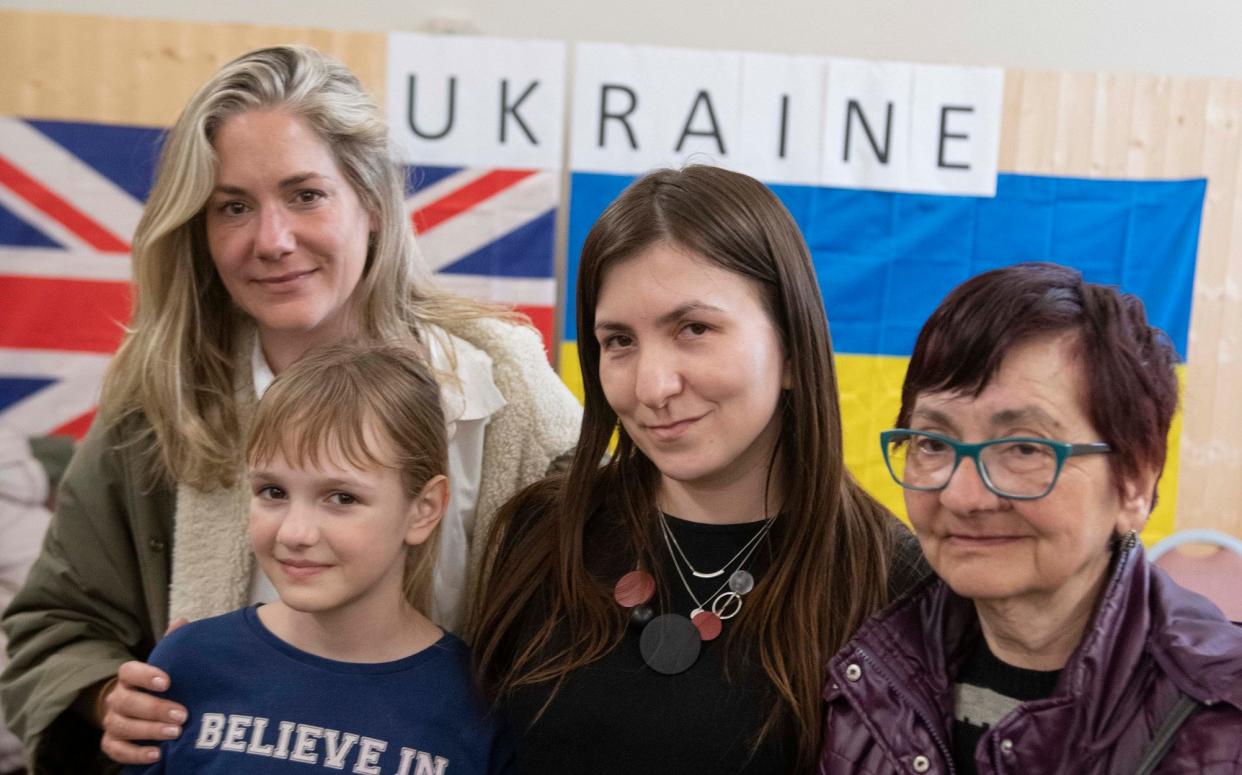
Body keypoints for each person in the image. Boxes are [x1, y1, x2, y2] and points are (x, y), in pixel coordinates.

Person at [1, 45, 580, 772]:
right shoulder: (165, 399)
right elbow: (55, 620)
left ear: (370, 203)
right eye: (233, 207)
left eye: (305, 194)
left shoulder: (501, 383)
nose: (271, 240)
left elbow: (607, 599)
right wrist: (101, 696)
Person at [472, 165, 927, 774]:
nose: (652, 387)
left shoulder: (892, 586)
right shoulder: (541, 536)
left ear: (791, 348)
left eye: (694, 329)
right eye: (619, 341)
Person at [818, 262, 1242, 774]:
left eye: (1023, 448)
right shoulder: (866, 668)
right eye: (932, 442)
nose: (962, 495)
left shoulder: (1221, 715)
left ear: (1135, 483)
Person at [123, 342, 512, 774]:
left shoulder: (479, 706)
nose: (295, 533)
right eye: (273, 492)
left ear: (424, 509)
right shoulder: (189, 663)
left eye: (341, 497)